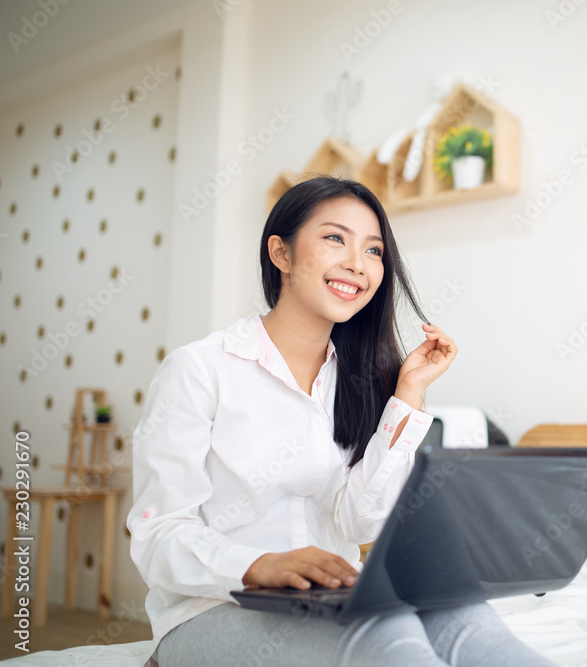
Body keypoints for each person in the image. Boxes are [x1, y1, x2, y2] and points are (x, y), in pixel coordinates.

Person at [126, 176, 557, 667]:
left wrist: (407, 394)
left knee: (463, 617)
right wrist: (260, 565)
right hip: (214, 609)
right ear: (281, 254)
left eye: (374, 250)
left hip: (335, 599)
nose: (358, 264)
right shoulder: (200, 369)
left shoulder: (360, 380)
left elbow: (359, 521)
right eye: (335, 238)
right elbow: (158, 533)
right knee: (383, 631)